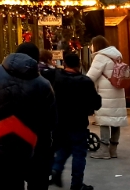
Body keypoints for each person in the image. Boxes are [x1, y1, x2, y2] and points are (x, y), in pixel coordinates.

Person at [0, 42, 56, 190]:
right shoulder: (43, 84)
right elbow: (50, 122)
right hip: (30, 146)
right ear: (36, 59)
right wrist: (45, 150)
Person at [50, 52, 102, 190]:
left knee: (64, 147)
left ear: (65, 63)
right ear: (79, 64)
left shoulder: (57, 78)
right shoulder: (85, 81)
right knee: (79, 153)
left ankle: (56, 168)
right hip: (78, 122)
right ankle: (76, 183)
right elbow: (95, 103)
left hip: (60, 121)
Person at [86, 36, 128, 160]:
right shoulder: (117, 55)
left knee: (104, 120)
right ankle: (113, 150)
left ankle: (104, 150)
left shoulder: (100, 56)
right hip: (118, 91)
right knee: (116, 120)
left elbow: (91, 76)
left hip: (105, 93)